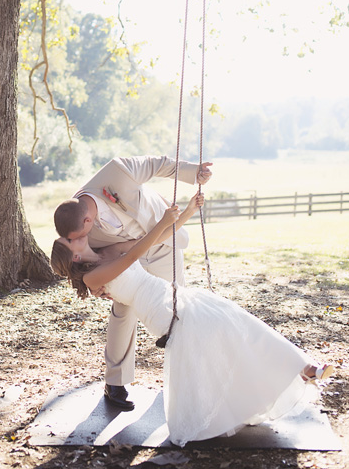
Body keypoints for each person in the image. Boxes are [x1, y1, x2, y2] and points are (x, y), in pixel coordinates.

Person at [51, 194, 334, 447]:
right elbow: (135, 255)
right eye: (69, 238)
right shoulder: (92, 278)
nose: (73, 234)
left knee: (237, 322)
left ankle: (301, 367)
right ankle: (289, 373)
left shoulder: (107, 252)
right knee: (229, 331)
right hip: (164, 314)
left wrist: (184, 213)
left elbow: (149, 240)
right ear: (74, 255)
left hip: (177, 297)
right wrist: (163, 219)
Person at [53, 154, 213, 410]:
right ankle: (115, 382)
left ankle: (186, 375)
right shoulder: (74, 224)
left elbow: (157, 164)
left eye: (81, 235)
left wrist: (193, 172)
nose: (85, 238)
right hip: (122, 259)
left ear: (88, 220)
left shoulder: (116, 173)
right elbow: (76, 262)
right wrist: (96, 286)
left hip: (163, 241)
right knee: (123, 310)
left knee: (178, 306)